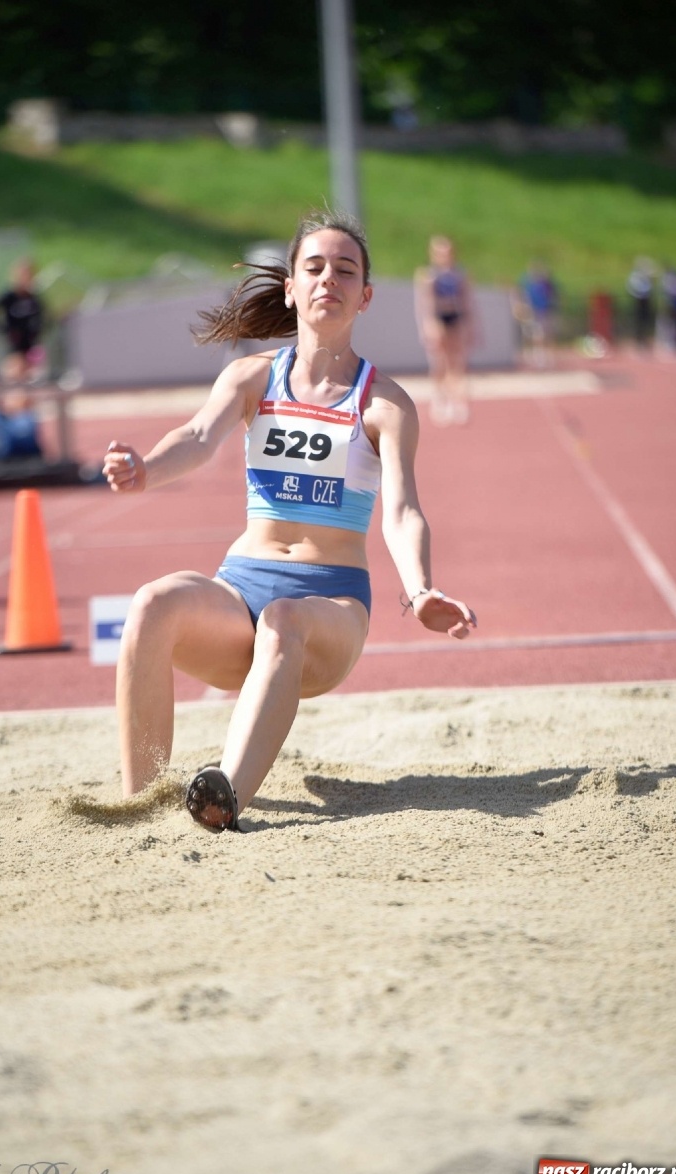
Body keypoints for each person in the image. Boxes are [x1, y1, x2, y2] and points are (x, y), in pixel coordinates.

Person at [103, 210, 477, 833]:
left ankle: (225, 800)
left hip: (327, 609)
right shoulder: (252, 378)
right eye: (315, 267)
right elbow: (196, 437)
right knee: (151, 603)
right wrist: (146, 467)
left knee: (284, 621)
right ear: (291, 287)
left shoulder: (384, 404)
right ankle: (140, 802)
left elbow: (403, 508)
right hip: (238, 591)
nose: (329, 278)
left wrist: (420, 590)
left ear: (366, 296)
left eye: (345, 269)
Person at [414, 235, 475, 425]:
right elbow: (424, 302)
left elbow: (467, 301)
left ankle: (459, 403)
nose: (444, 255)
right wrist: (428, 324)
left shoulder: (459, 274)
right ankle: (440, 400)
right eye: (440, 252)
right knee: (440, 363)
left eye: (447, 251)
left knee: (457, 362)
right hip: (438, 319)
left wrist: (470, 326)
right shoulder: (427, 274)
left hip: (456, 319)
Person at [0, 259, 46, 381]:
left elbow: (42, 319)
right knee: (14, 375)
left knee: (31, 378)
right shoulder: (9, 297)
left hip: (30, 347)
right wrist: (4, 330)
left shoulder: (34, 299)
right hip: (12, 347)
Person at [517, 262, 559, 366]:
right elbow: (523, 297)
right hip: (534, 313)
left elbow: (554, 297)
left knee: (547, 335)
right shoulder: (528, 285)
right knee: (536, 336)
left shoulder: (546, 285)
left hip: (545, 312)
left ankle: (549, 356)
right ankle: (538, 356)